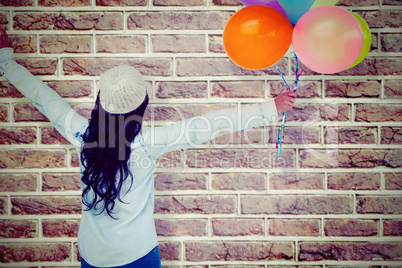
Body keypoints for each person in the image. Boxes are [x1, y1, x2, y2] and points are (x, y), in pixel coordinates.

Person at [0, 29, 296, 267]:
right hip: (138, 255)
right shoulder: (148, 143)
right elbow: (209, 124)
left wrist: (5, 62)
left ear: (100, 102)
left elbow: (43, 97)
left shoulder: (80, 133)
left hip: (92, 256)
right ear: (141, 108)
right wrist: (269, 108)